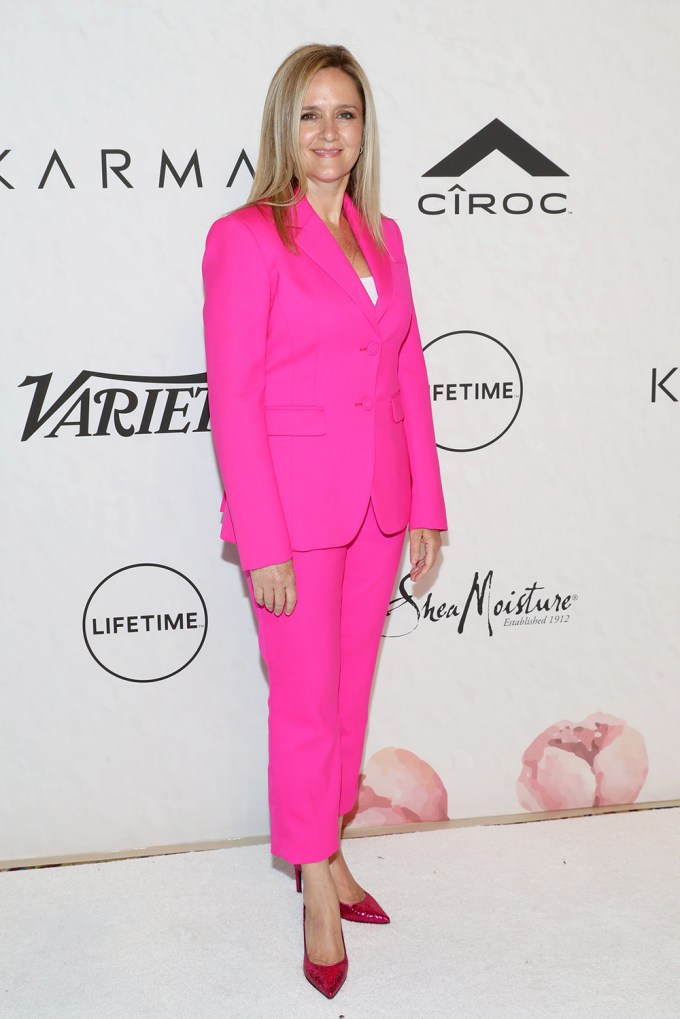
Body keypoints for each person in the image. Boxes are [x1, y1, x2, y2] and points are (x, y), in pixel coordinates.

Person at [202, 42, 447, 999]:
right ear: (283, 127)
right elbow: (237, 398)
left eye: (345, 114)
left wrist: (425, 500)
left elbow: (408, 376)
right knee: (305, 705)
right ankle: (312, 883)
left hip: (380, 505)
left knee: (346, 699)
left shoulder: (383, 236)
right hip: (295, 517)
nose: (329, 133)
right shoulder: (247, 236)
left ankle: (331, 848)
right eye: (310, 114)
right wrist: (259, 538)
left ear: (363, 128)